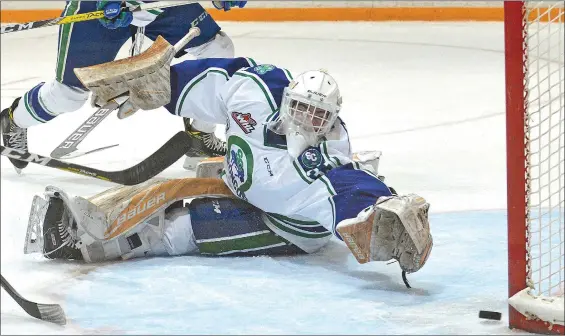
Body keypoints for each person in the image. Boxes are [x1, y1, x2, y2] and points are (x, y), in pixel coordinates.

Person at [23, 54, 433, 282]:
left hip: (284, 225)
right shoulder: (257, 90)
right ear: (288, 98)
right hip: (245, 179)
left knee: (182, 227)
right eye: (302, 109)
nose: (308, 121)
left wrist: (382, 210)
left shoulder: (326, 157)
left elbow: (350, 187)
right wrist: (162, 84)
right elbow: (216, 81)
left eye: (319, 116)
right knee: (174, 188)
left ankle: (90, 243)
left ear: (332, 119)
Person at [0, 0, 247, 173]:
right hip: (100, 6)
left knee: (218, 48)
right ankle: (14, 120)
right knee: (68, 96)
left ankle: (200, 137)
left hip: (159, 6)